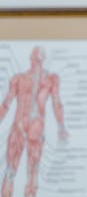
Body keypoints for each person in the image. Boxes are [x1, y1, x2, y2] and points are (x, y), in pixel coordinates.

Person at [0, 46, 68, 197]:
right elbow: (6, 104)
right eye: (36, 60)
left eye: (37, 60)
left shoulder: (48, 80)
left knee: (28, 173)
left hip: (31, 129)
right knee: (18, 171)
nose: (36, 63)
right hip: (24, 128)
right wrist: (61, 127)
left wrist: (61, 126)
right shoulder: (20, 79)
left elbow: (56, 103)